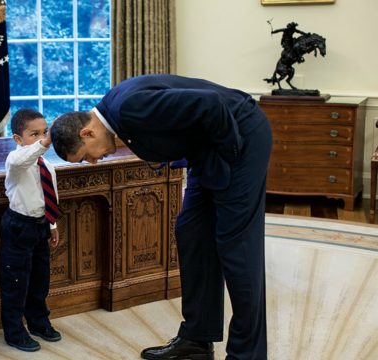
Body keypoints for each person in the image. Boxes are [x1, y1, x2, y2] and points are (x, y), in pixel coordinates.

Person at [51, 74, 272, 360]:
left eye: (84, 157)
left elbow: (212, 103)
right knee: (191, 231)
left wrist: (231, 155)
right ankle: (197, 339)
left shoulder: (128, 107)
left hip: (240, 138)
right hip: (210, 149)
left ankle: (247, 355)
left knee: (237, 246)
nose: (91, 162)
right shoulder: (116, 113)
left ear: (87, 134)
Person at [0, 109, 62, 352]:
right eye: (33, 134)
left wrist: (52, 224)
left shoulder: (46, 164)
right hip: (18, 227)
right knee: (15, 281)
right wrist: (45, 142)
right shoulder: (15, 161)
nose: (40, 138)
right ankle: (14, 331)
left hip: (40, 226)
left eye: (44, 132)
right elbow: (22, 159)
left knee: (40, 279)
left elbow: (50, 194)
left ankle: (38, 322)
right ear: (18, 139)